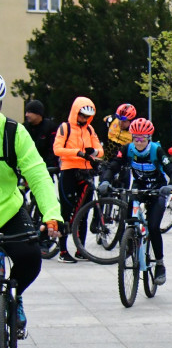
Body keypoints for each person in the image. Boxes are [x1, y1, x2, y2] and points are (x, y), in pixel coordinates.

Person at [0, 74, 61, 337]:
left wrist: (51, 215)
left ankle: (15, 295)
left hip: (8, 209)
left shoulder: (13, 132)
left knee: (31, 258)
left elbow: (37, 175)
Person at [100, 118, 172, 285]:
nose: (139, 142)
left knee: (153, 226)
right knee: (130, 219)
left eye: (143, 138)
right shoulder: (127, 149)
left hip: (157, 190)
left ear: (149, 138)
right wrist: (105, 181)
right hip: (138, 187)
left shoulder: (156, 150)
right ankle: (130, 244)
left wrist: (171, 185)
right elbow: (114, 165)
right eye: (136, 138)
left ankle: (159, 264)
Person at [52, 96, 104, 263]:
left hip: (86, 172)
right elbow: (57, 149)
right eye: (82, 115)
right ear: (76, 113)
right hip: (69, 171)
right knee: (66, 211)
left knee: (84, 211)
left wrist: (94, 153)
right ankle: (63, 250)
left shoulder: (90, 130)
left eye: (87, 117)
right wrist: (78, 153)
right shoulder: (65, 127)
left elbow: (100, 150)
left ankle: (80, 249)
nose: (84, 119)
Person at [23, 100, 59, 170]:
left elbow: (53, 149)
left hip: (46, 167)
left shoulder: (50, 127)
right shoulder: (24, 127)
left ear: (38, 114)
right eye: (26, 112)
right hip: (28, 166)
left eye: (29, 112)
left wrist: (50, 166)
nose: (26, 115)